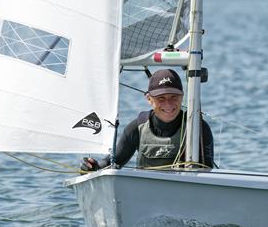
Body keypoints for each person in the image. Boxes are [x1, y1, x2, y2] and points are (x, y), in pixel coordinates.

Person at [80, 68, 214, 171]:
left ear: (182, 96)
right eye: (161, 98)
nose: (168, 104)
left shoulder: (198, 128)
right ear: (149, 99)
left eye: (174, 97)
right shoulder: (137, 127)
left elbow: (205, 172)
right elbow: (113, 162)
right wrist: (92, 166)